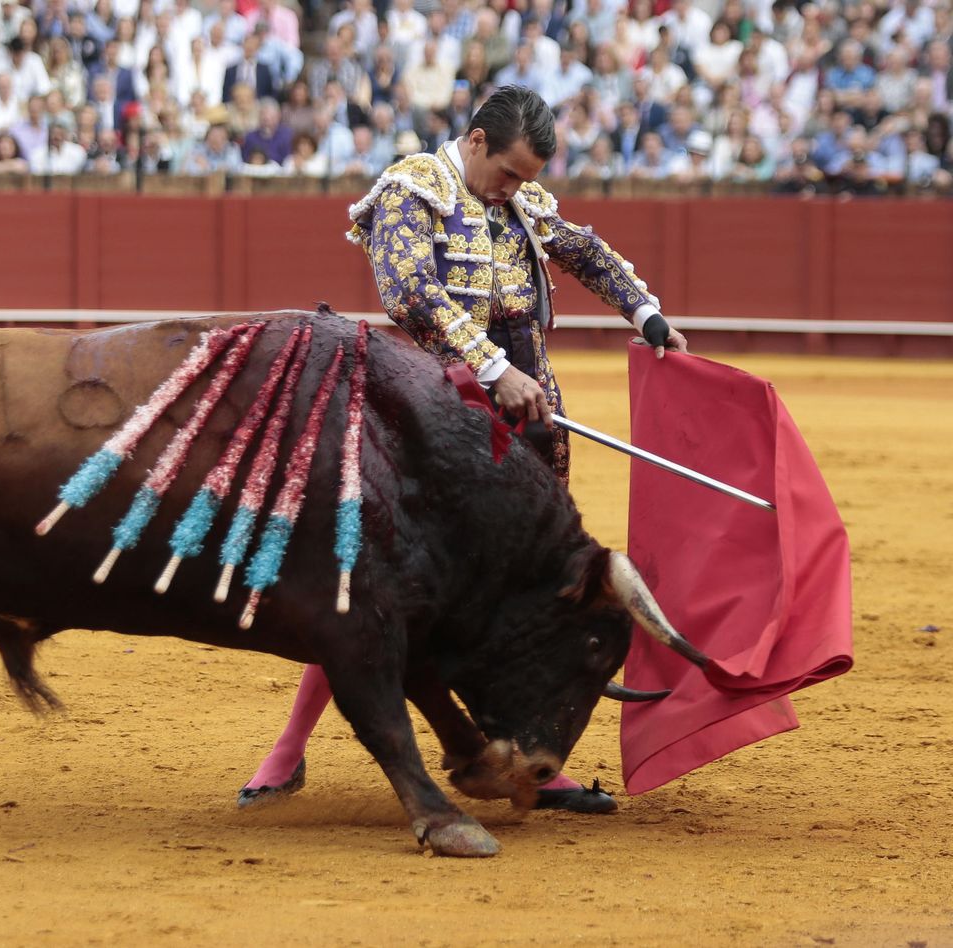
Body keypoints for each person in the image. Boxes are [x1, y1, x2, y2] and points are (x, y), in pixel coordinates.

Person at [238, 86, 688, 816]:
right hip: (426, 431)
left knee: (525, 600)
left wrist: (647, 312)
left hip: (529, 428)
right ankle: (288, 749)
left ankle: (534, 759)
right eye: (509, 173)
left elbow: (584, 251)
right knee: (373, 590)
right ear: (476, 142)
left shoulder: (522, 203)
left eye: (528, 179)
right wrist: (493, 369)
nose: (517, 189)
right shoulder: (413, 189)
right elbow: (410, 294)